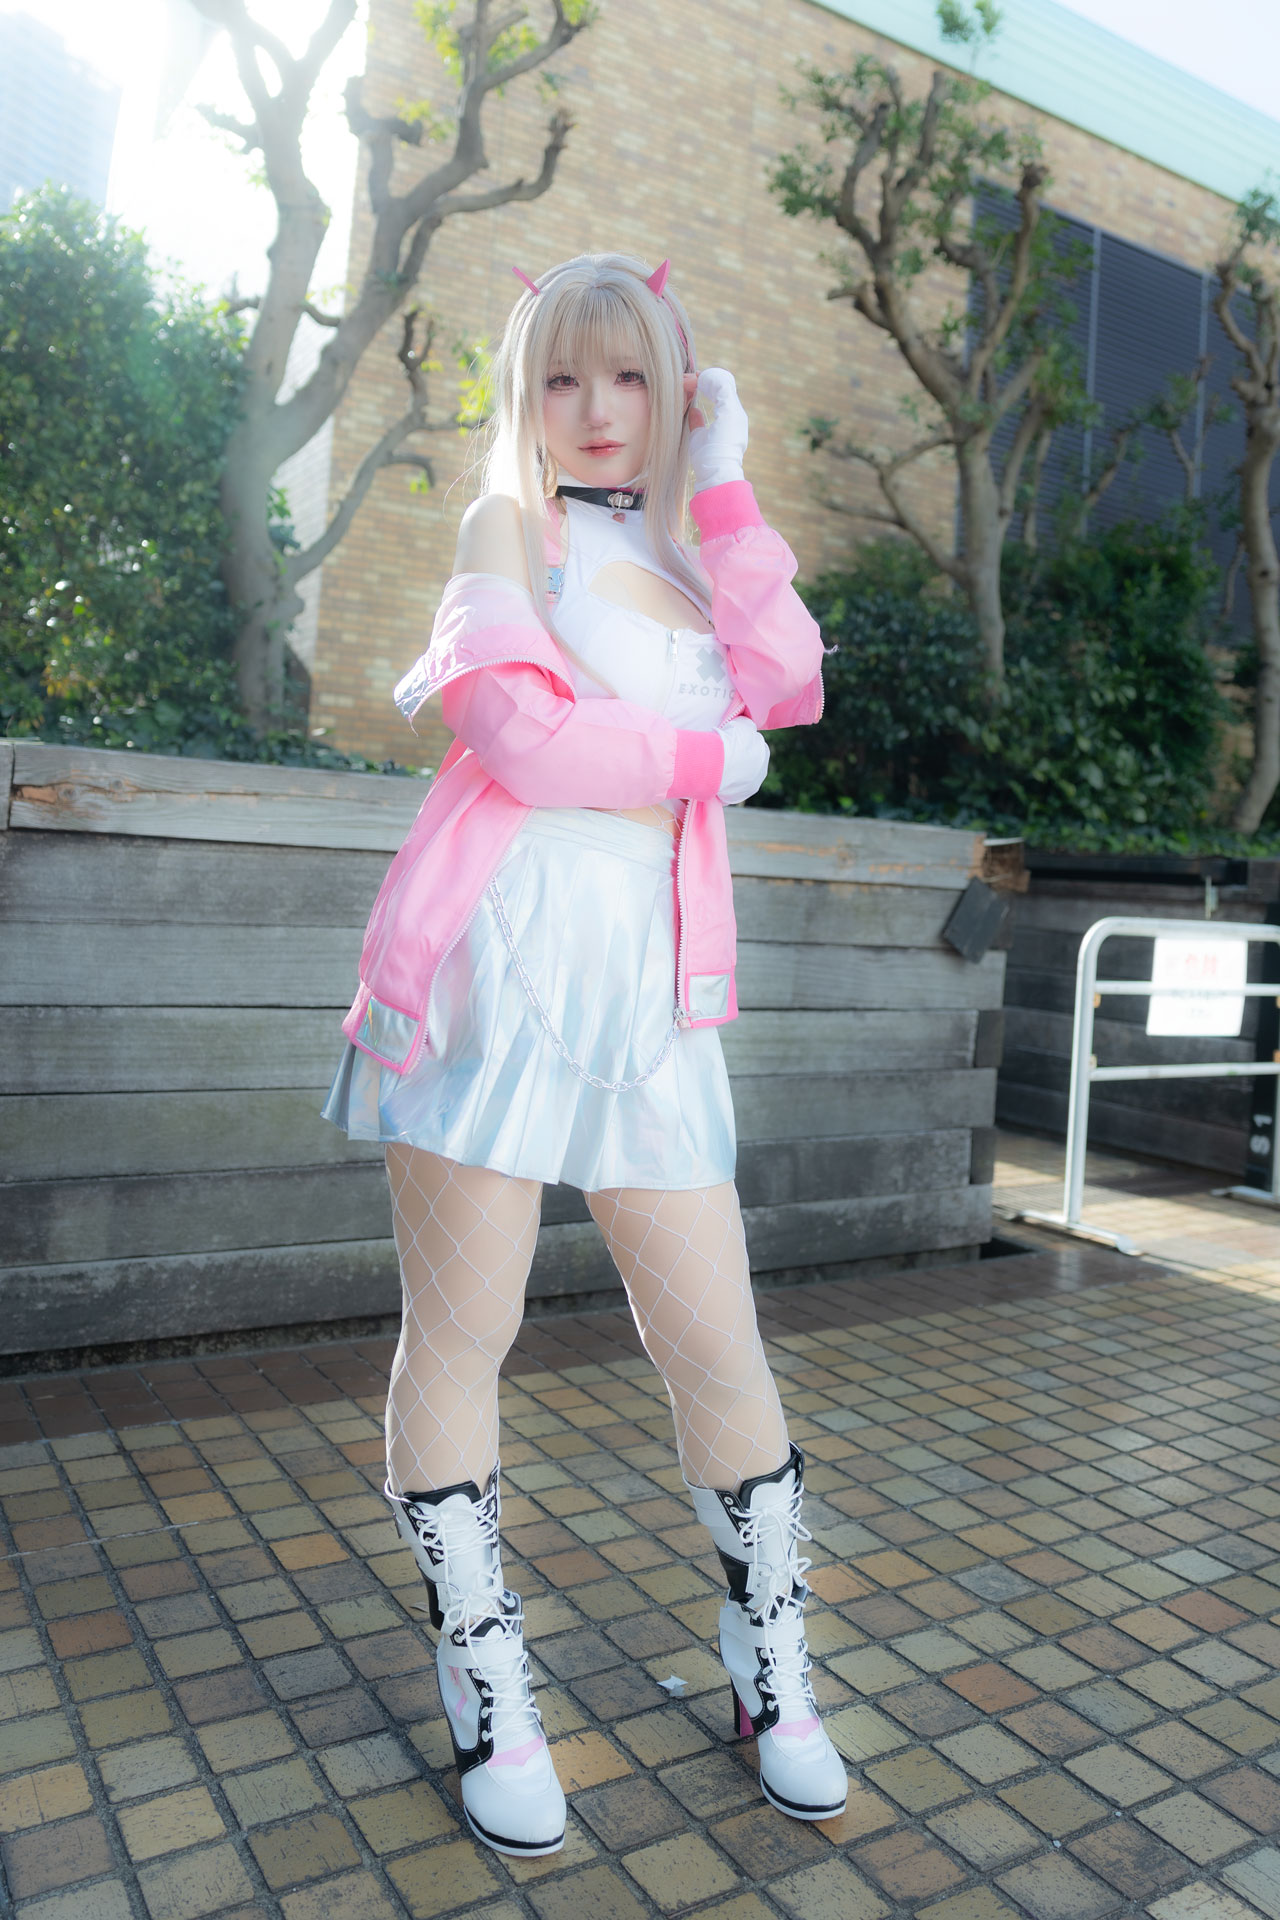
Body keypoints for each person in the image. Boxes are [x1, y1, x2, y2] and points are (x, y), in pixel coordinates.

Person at [322, 251, 846, 1859]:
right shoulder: (509, 528)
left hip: (651, 989)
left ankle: (770, 1668)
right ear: (524, 394)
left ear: (675, 390)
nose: (599, 410)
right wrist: (700, 756)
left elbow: (793, 681)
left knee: (720, 1347)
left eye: (632, 376)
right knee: (462, 1334)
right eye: (563, 376)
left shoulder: (692, 553)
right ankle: (485, 1679)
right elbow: (519, 737)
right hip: (494, 965)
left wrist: (729, 480)